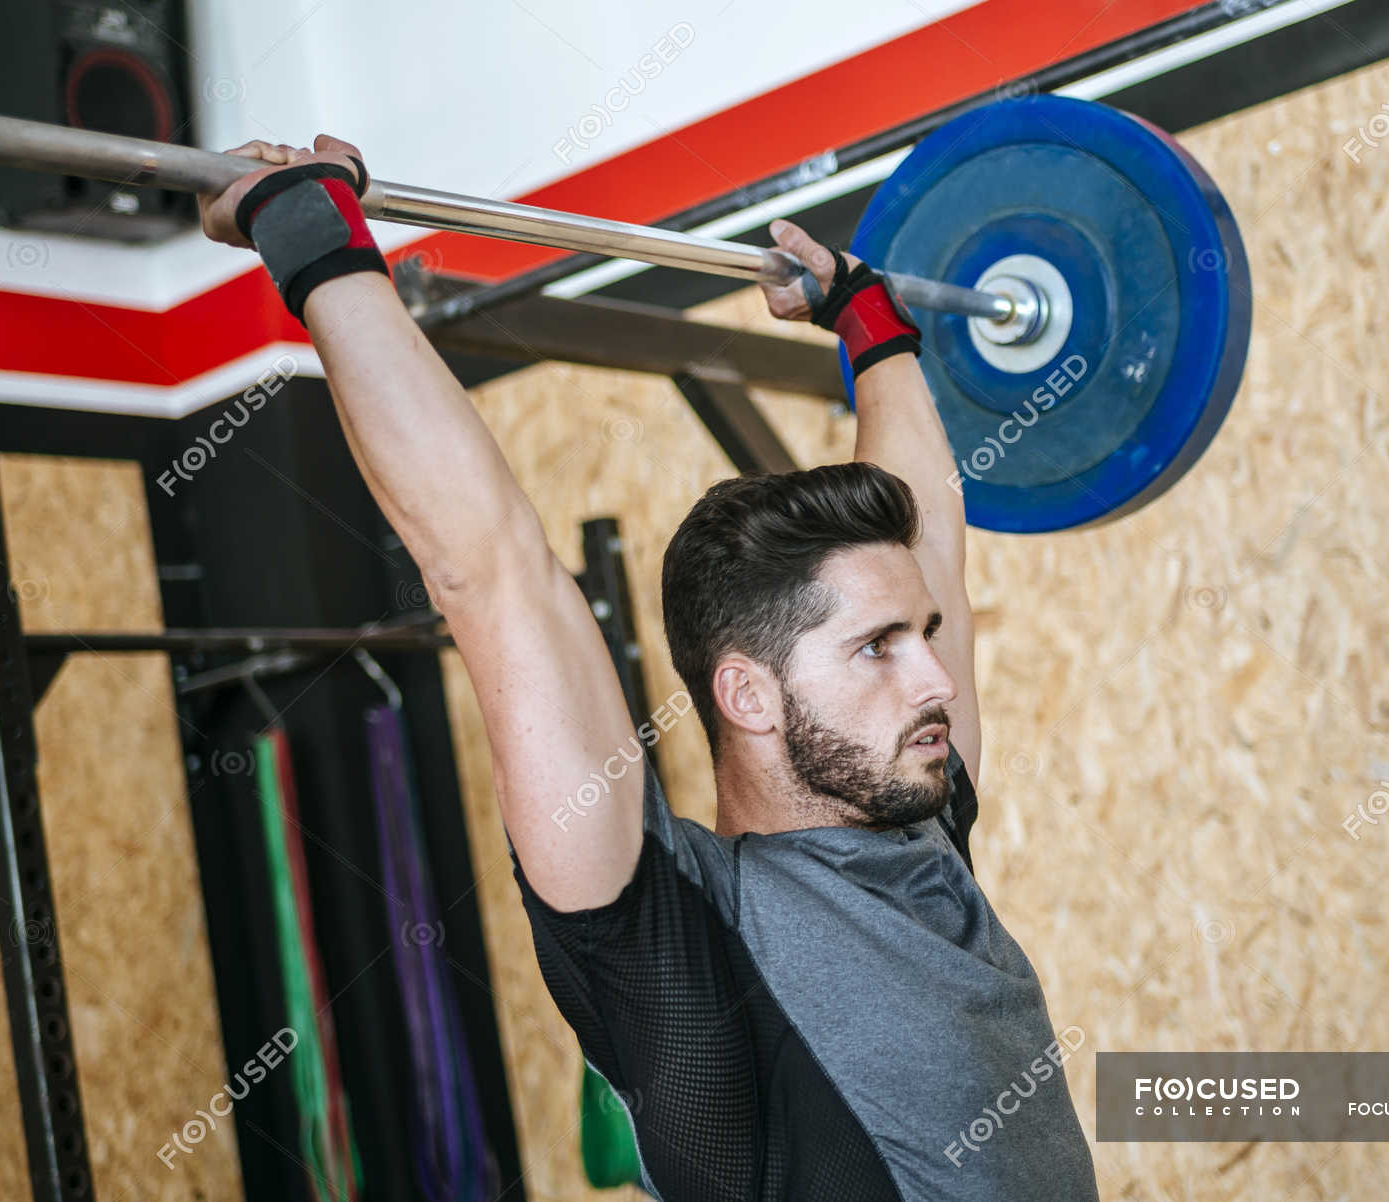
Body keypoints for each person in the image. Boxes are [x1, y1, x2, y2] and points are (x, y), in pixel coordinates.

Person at [198, 134, 1099, 1202]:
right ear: (747, 693)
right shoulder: (672, 941)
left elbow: (931, 517)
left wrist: (867, 315)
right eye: (877, 647)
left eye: (924, 633)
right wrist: (310, 231)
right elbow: (493, 572)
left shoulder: (922, 816)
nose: (938, 678)